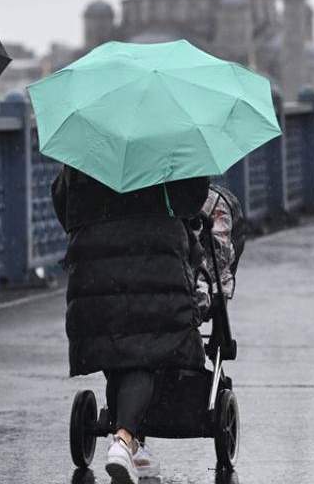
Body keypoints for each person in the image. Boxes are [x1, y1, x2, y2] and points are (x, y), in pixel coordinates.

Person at [53, 166, 210, 484]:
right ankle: (123, 438)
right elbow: (191, 200)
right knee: (144, 354)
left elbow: (63, 203)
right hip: (154, 258)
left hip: (95, 264)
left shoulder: (88, 145)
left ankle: (132, 443)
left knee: (119, 350)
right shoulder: (167, 141)